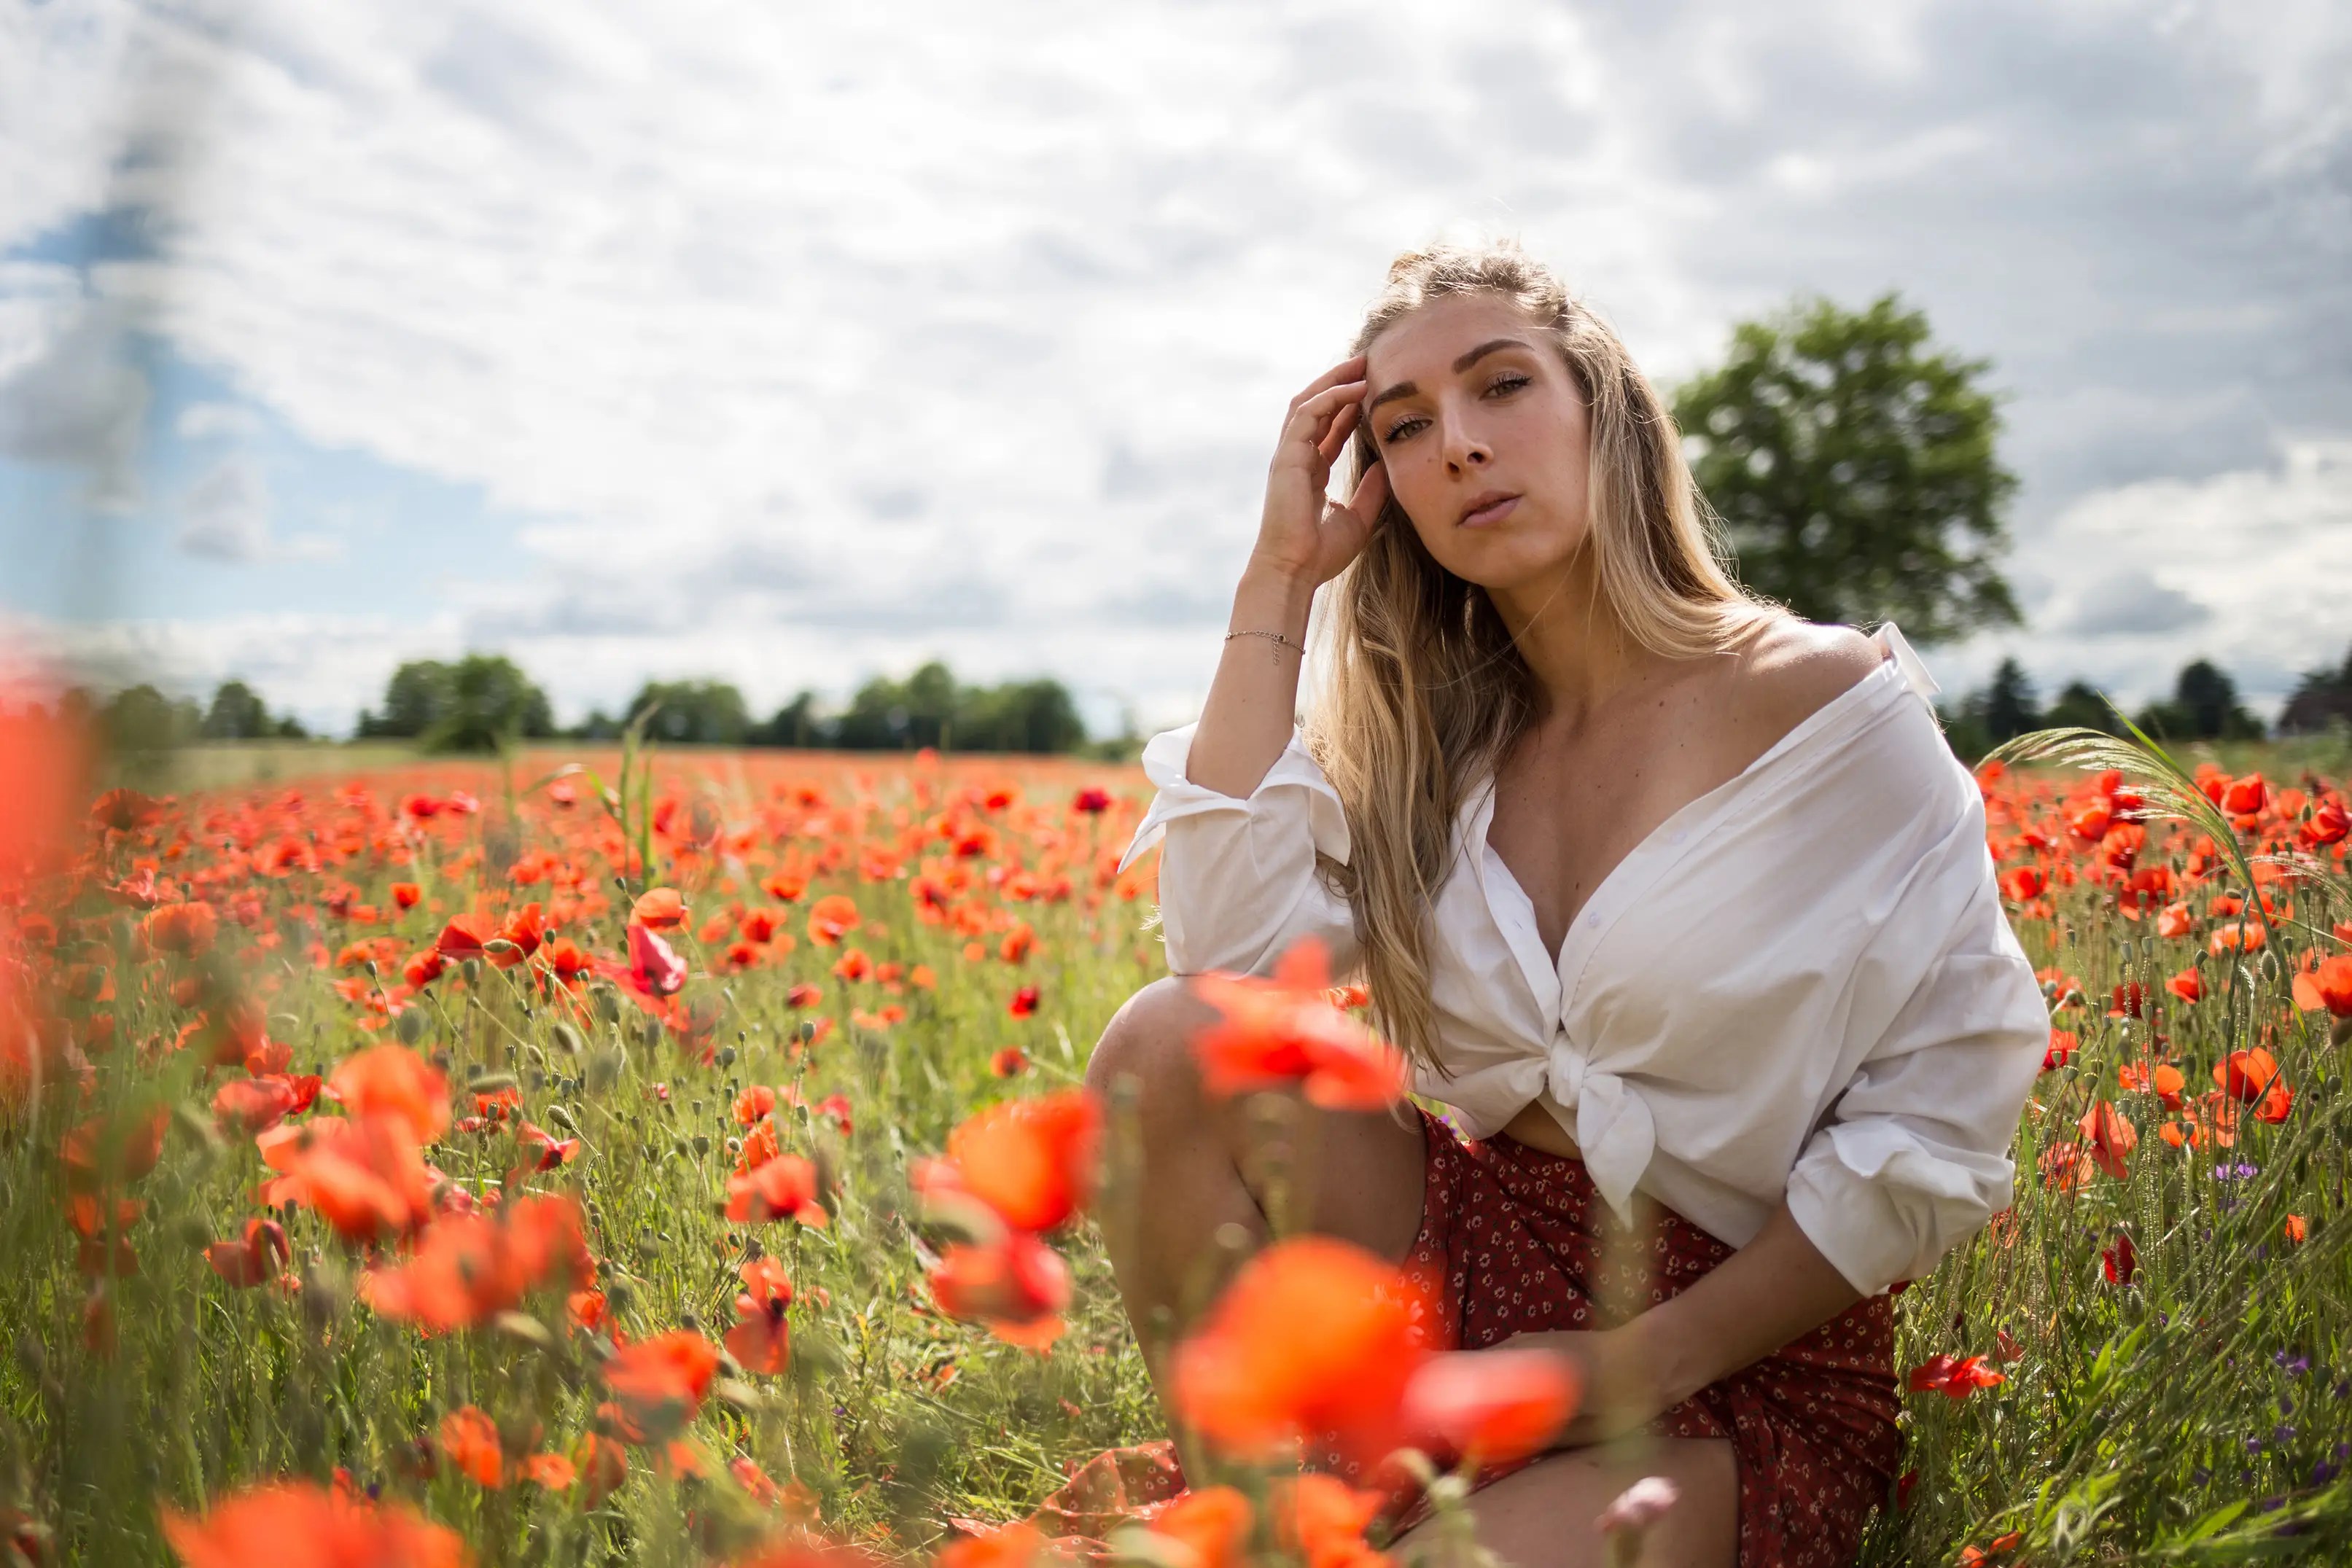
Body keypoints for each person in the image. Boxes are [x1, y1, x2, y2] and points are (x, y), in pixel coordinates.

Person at [1086, 241, 2050, 1568]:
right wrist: (1278, 579)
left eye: (1500, 388)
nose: (1460, 447)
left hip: (1734, 1350)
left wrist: (1622, 1367)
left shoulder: (1824, 712)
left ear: (1603, 412)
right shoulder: (1442, 746)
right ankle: (1266, 1525)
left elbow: (1944, 1112)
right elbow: (1232, 963)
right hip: (1471, 1251)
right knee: (1168, 1045)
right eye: (1404, 427)